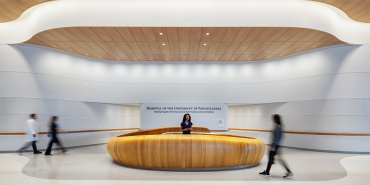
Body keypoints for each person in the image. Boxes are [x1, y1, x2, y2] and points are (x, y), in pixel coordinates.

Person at [259, 114, 293, 179]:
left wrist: (273, 146)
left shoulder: (278, 127)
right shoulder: (278, 126)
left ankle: (288, 172)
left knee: (274, 158)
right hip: (275, 145)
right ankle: (267, 171)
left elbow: (277, 137)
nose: (272, 119)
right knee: (272, 158)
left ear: (275, 119)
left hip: (275, 145)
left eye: (273, 118)